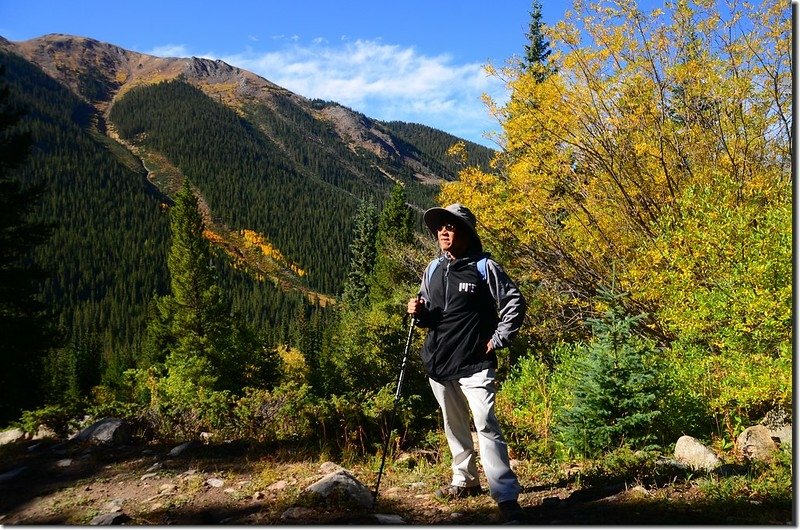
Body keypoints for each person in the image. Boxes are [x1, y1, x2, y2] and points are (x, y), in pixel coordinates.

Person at [407, 203, 526, 524]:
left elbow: (514, 301)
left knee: (486, 423)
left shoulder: (485, 267)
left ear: (467, 232)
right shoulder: (432, 269)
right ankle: (465, 481)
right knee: (454, 425)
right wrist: (419, 313)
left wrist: (498, 339)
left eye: (451, 226)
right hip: (439, 362)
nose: (443, 232)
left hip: (475, 362)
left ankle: (505, 494)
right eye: (440, 227)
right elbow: (432, 316)